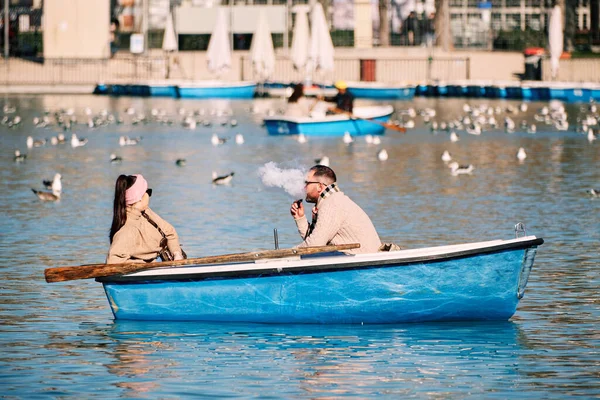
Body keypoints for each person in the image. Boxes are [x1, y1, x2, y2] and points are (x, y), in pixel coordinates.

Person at [289, 165, 381, 254]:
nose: (303, 187)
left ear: (320, 187)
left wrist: (288, 255)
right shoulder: (332, 200)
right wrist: (300, 218)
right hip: (356, 260)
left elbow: (315, 245)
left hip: (364, 263)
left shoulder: (332, 204)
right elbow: (314, 240)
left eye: (307, 183)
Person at [107, 174, 184, 264]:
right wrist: (147, 263)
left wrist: (177, 253)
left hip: (167, 263)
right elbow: (113, 262)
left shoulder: (146, 212)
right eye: (148, 192)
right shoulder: (128, 230)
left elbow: (170, 233)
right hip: (150, 275)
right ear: (138, 198)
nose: (149, 196)